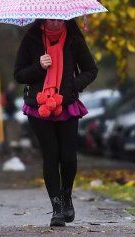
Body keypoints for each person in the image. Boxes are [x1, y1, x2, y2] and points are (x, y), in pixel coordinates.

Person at [13, 18, 98, 226]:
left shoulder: (74, 39)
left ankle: (67, 196)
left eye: (60, 19)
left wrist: (72, 85)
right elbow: (19, 74)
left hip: (66, 105)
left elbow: (90, 70)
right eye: (51, 20)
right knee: (51, 155)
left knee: (68, 156)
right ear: (44, 18)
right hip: (39, 107)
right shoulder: (32, 39)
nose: (56, 23)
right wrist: (39, 66)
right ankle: (57, 208)